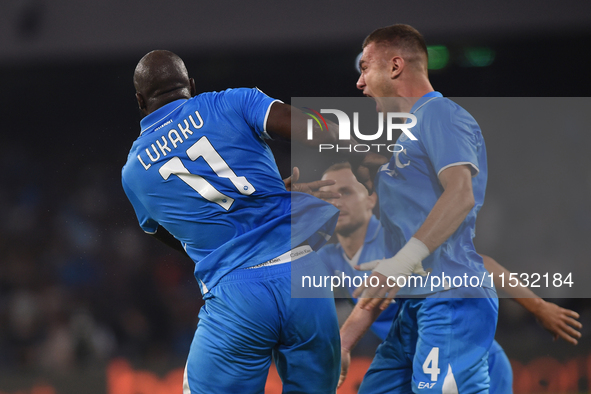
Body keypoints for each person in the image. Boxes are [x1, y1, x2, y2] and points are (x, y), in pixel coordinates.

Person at [121, 50, 343, 394]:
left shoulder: (134, 171)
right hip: (304, 276)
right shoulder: (233, 101)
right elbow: (311, 129)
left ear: (139, 99)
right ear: (191, 86)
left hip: (239, 296)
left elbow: (171, 233)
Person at [318, 162, 581, 393]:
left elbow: (480, 266)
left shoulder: (399, 236)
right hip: (406, 358)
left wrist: (539, 307)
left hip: (463, 356)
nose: (337, 202)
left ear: (371, 199)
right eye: (329, 195)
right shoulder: (329, 257)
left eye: (347, 192)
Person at [337, 24, 497, 392]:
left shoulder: (439, 115)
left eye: (365, 67)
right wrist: (344, 342)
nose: (359, 83)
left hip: (452, 298)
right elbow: (394, 269)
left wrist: (402, 262)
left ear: (395, 66)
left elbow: (461, 194)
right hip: (414, 306)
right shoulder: (405, 140)